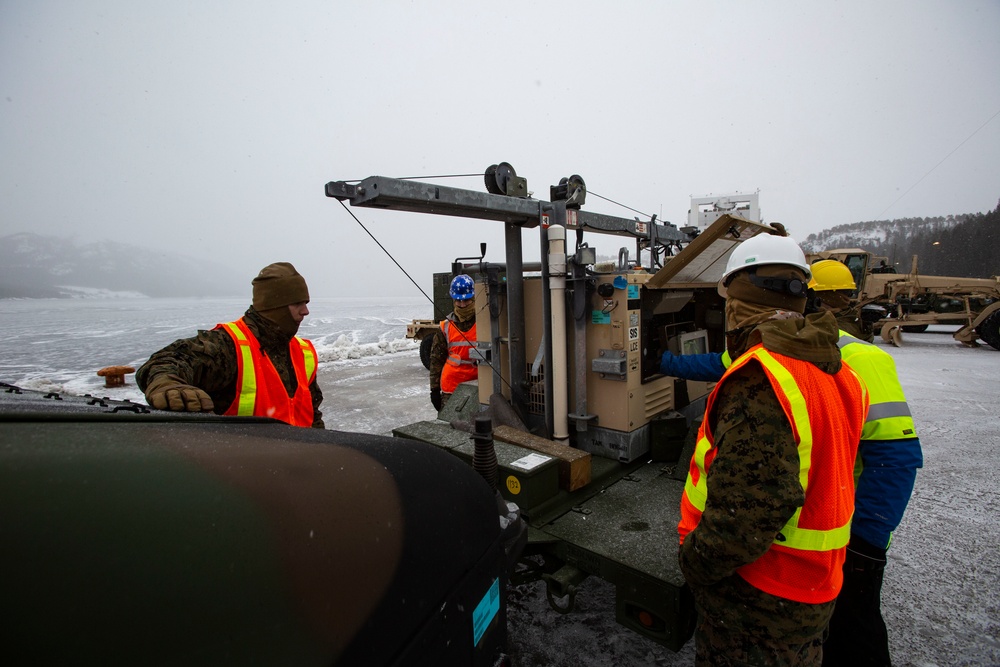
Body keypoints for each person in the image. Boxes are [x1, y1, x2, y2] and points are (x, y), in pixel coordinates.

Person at [663, 258, 923, 666]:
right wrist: (668, 363)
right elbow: (719, 363)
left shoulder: (848, 361)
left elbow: (896, 458)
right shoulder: (816, 349)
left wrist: (866, 541)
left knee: (857, 637)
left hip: (798, 566)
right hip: (817, 559)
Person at [136, 262, 324, 428]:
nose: (306, 311)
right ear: (275, 306)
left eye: (306, 303)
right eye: (298, 304)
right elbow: (166, 361)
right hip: (243, 463)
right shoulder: (227, 345)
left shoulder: (302, 351)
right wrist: (168, 386)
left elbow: (312, 415)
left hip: (301, 461)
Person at [429, 274, 478, 411]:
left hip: (478, 387)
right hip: (451, 389)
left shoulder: (485, 323)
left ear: (473, 298)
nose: (462, 305)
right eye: (458, 301)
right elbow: (436, 360)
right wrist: (434, 390)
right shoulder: (445, 326)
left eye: (466, 301)